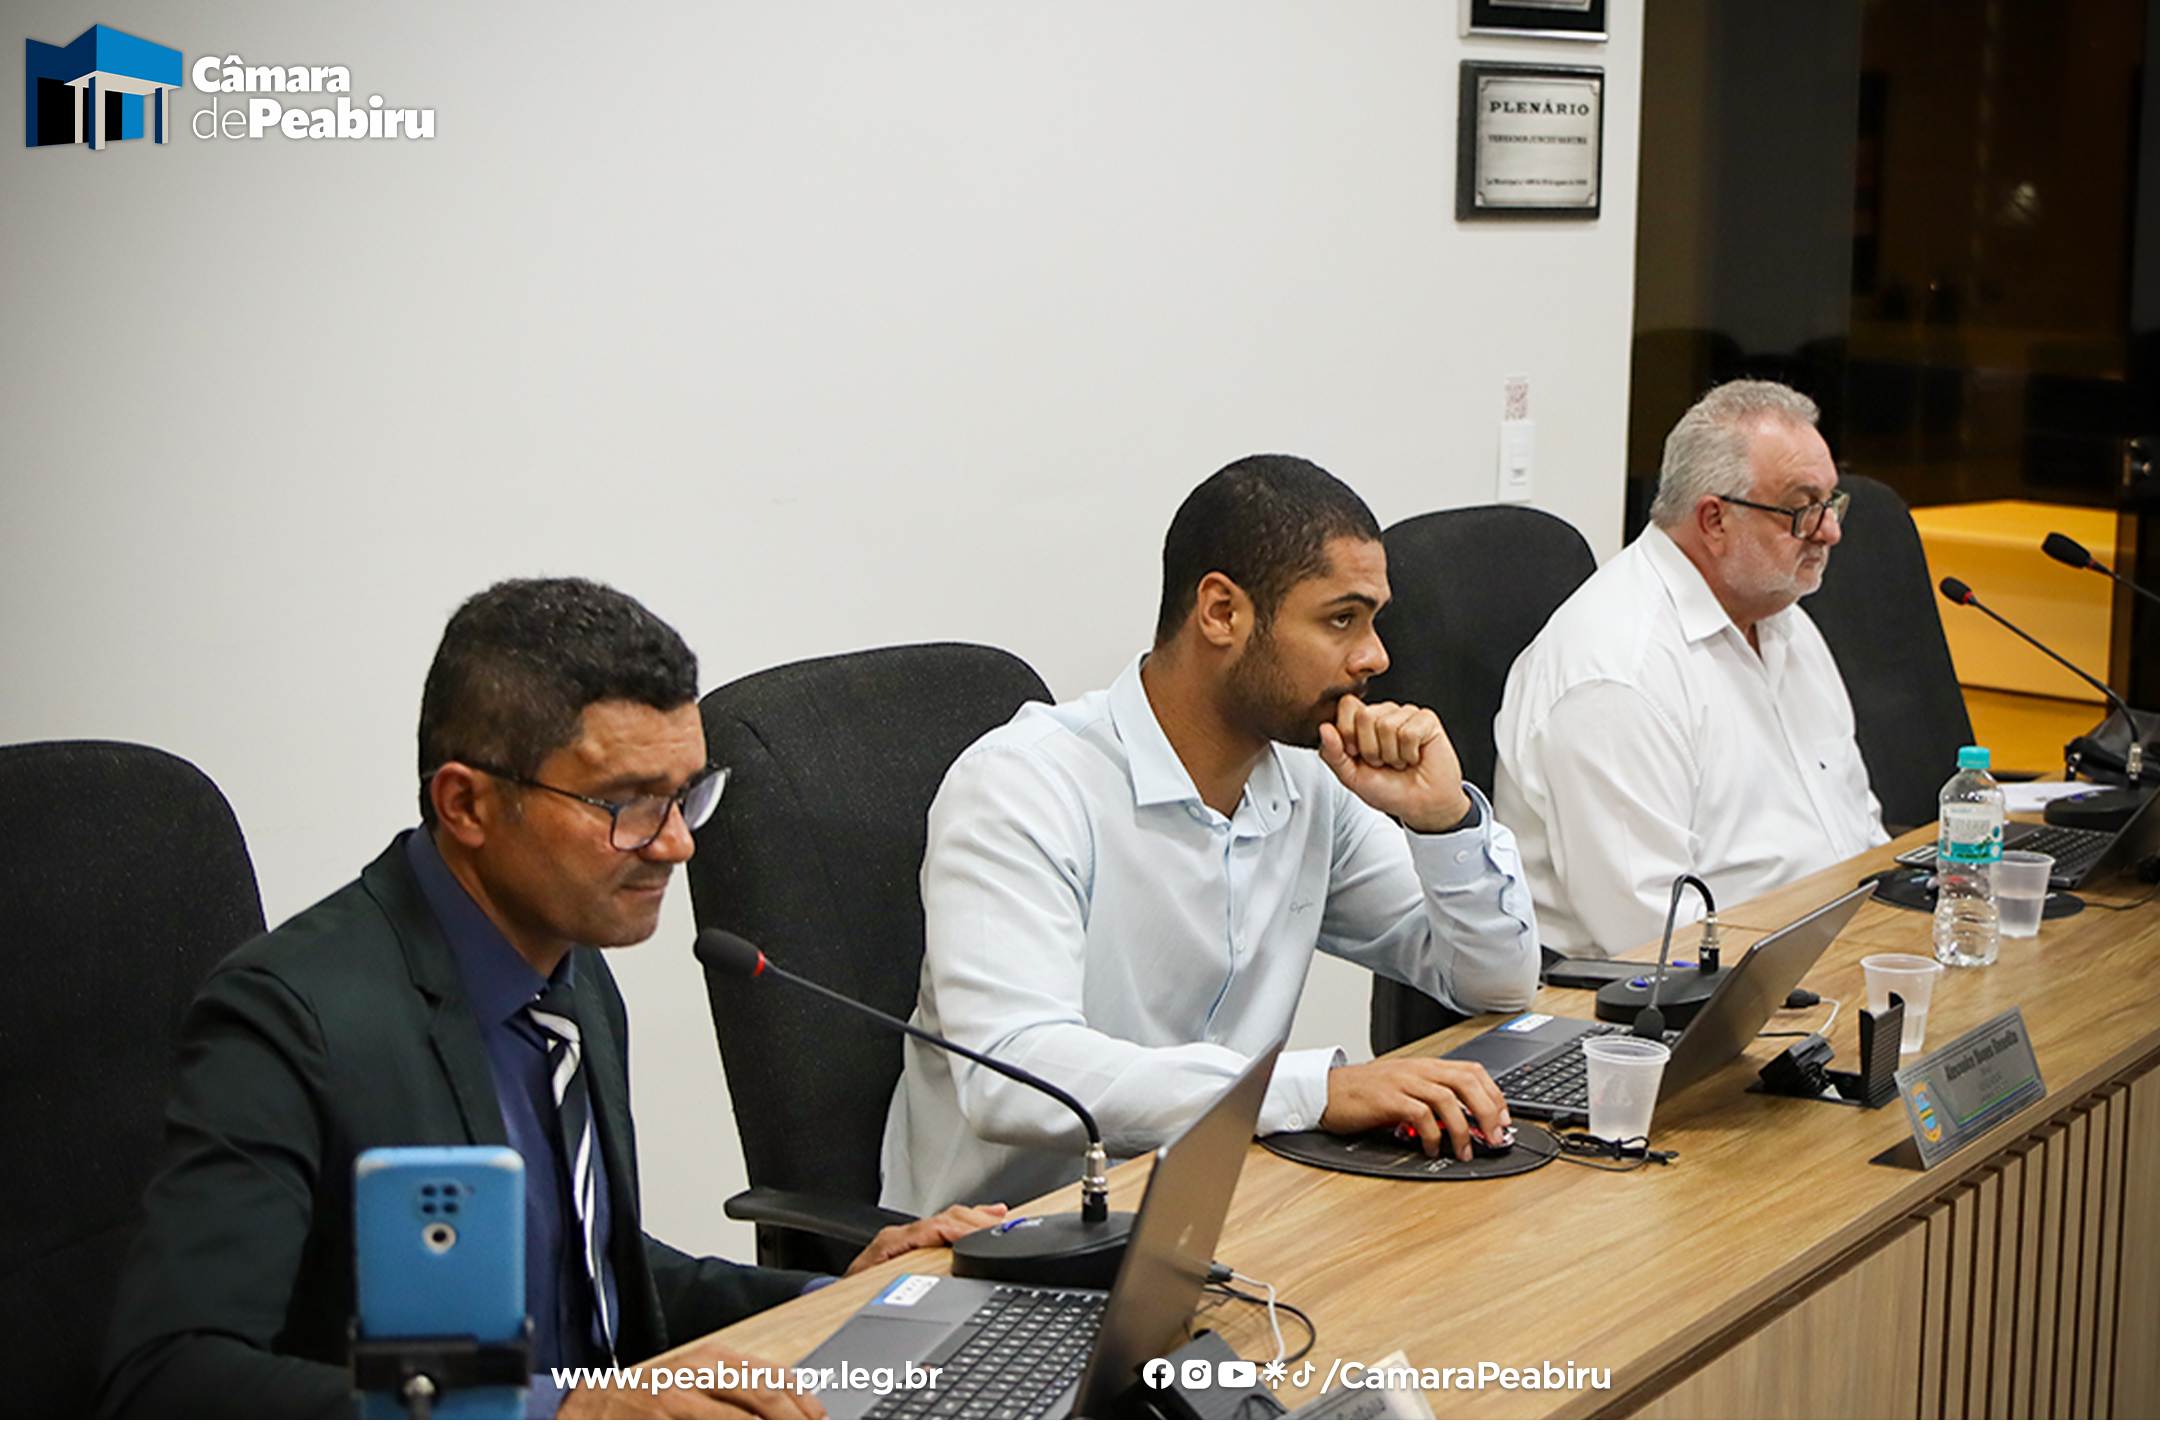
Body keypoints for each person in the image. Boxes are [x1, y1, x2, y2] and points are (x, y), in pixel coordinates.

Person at [98, 578, 1000, 1420]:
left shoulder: (569, 969)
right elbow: (166, 1378)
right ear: (467, 805)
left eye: (685, 796)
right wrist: (561, 1410)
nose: (677, 844)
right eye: (627, 804)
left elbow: (591, 1277)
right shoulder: (290, 1019)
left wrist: (840, 1292)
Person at [881, 456, 1541, 1216]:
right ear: (1222, 612)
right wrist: (1316, 1091)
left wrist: (1444, 820)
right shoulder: (1023, 786)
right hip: (1004, 1241)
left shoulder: (1310, 782)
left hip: (1216, 1211)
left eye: (1373, 621)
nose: (1375, 657)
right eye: (1341, 620)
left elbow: (1495, 985)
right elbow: (1013, 1072)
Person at [1493, 380, 1890, 960]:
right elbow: (1658, 939)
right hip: (1686, 995)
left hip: (1831, 954)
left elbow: (1859, 832)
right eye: (1805, 509)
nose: (1831, 532)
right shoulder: (1617, 674)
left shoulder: (1785, 621)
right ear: (1714, 520)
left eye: (1832, 503)